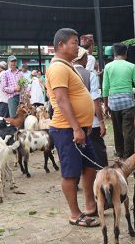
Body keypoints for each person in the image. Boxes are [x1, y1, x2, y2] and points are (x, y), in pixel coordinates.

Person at [45, 28, 99, 227]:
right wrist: (76, 128)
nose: (78, 46)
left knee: (90, 166)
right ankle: (75, 214)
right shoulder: (58, 68)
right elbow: (61, 100)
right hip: (66, 129)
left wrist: (84, 125)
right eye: (74, 42)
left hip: (79, 128)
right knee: (71, 173)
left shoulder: (67, 66)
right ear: (61, 45)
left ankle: (91, 205)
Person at [102, 43, 135, 159]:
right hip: (128, 103)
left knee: (117, 130)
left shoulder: (108, 67)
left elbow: (105, 88)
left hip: (114, 104)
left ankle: (120, 154)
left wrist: (106, 105)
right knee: (128, 131)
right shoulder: (131, 66)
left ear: (114, 54)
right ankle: (128, 157)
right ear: (125, 53)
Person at [73, 47, 108, 167]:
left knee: (77, 152)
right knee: (98, 148)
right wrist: (101, 122)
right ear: (83, 58)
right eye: (87, 57)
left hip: (72, 122)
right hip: (90, 121)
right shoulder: (90, 75)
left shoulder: (67, 73)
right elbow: (96, 101)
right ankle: (101, 173)